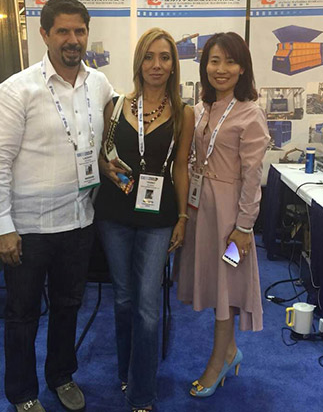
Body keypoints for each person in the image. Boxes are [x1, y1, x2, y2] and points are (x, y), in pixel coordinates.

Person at [0, 0, 114, 412]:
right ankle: (22, 393)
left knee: (69, 306)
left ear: (88, 34)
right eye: (63, 31)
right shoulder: (15, 91)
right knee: (22, 315)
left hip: (79, 221)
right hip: (29, 229)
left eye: (80, 31)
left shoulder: (100, 85)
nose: (73, 40)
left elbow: (107, 140)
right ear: (44, 34)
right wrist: (2, 228)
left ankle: (61, 376)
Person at [94, 28, 194, 412]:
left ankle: (142, 393)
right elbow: (102, 154)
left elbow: (181, 167)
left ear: (173, 64)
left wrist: (182, 217)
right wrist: (104, 166)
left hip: (159, 218)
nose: (157, 64)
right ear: (139, 61)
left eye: (164, 57)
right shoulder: (116, 105)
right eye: (149, 56)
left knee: (147, 306)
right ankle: (127, 371)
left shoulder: (184, 113)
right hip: (115, 214)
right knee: (123, 299)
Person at [175, 32, 270, 398]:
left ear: (243, 67)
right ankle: (229, 352)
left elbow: (252, 177)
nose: (221, 69)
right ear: (204, 66)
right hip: (203, 213)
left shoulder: (250, 113)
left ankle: (219, 361)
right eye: (214, 61)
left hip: (231, 219)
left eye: (230, 61)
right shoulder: (202, 108)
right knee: (215, 282)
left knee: (227, 285)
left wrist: (244, 227)